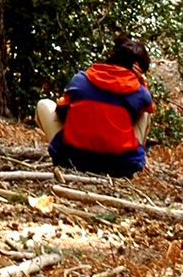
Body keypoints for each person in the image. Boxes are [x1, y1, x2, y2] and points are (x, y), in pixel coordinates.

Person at [35, 37, 154, 177]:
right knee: (145, 113)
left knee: (44, 104)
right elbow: (149, 106)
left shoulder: (81, 80)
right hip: (121, 166)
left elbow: (61, 111)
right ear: (138, 68)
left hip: (71, 159)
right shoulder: (139, 92)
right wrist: (141, 83)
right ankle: (129, 155)